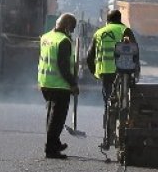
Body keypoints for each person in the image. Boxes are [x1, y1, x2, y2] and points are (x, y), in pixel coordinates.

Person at [86, 10, 137, 144]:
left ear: (107, 21)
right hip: (122, 73)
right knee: (125, 103)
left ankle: (108, 137)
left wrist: (94, 72)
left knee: (109, 103)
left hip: (105, 74)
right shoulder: (125, 30)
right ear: (120, 19)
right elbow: (135, 51)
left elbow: (89, 56)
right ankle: (124, 133)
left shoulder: (99, 33)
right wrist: (136, 71)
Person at [38, 13, 79, 159]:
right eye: (72, 28)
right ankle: (51, 149)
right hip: (59, 85)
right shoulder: (63, 41)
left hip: (45, 82)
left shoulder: (46, 37)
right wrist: (73, 84)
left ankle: (55, 142)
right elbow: (63, 66)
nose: (72, 32)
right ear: (67, 26)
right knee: (57, 119)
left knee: (51, 115)